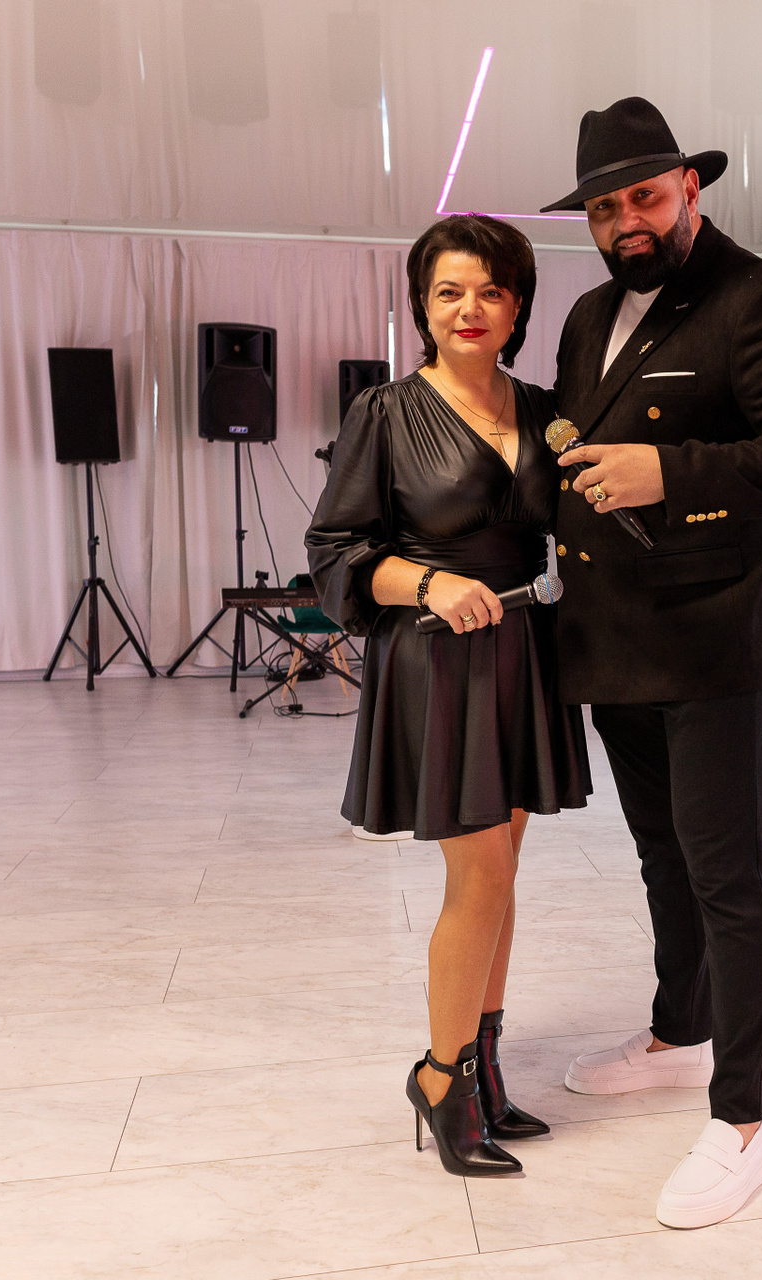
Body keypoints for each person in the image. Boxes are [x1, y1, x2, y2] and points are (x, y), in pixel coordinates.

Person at [541, 98, 762, 1227]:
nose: (624, 221)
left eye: (643, 196)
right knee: (661, 856)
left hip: (717, 635)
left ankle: (744, 1119)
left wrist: (671, 472)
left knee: (729, 876)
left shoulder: (759, 298)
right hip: (615, 636)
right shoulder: (587, 316)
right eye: (602, 209)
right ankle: (680, 1034)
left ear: (690, 186)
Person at [304, 214, 590, 1178]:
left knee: (503, 872)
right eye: (449, 292)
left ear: (517, 306)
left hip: (526, 652)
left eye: (491, 291)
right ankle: (440, 1077)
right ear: (422, 307)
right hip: (439, 656)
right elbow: (334, 553)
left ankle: (484, 1070)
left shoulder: (544, 409)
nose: (471, 309)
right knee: (482, 878)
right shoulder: (385, 412)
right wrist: (427, 582)